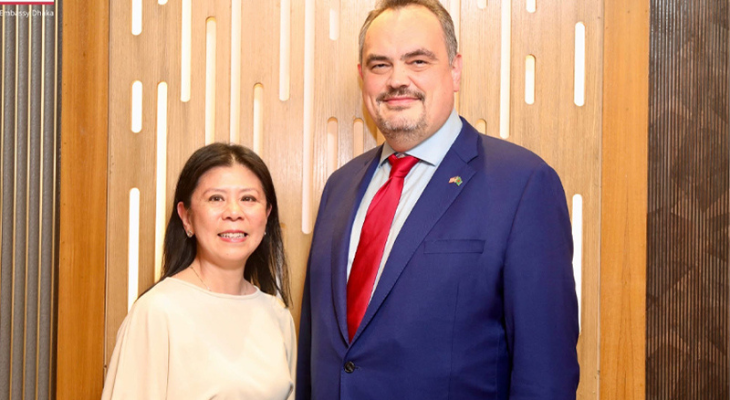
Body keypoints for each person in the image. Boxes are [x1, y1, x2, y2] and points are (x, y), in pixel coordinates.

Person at [296, 0, 579, 399]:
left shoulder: (523, 185)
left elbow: (545, 377)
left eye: (418, 61)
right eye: (380, 65)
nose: (397, 80)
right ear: (362, 77)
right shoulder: (339, 188)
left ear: (455, 70)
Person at [102, 143, 296, 400]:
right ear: (186, 217)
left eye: (248, 199)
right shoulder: (157, 311)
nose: (234, 212)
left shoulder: (278, 315)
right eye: (216, 198)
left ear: (267, 215)